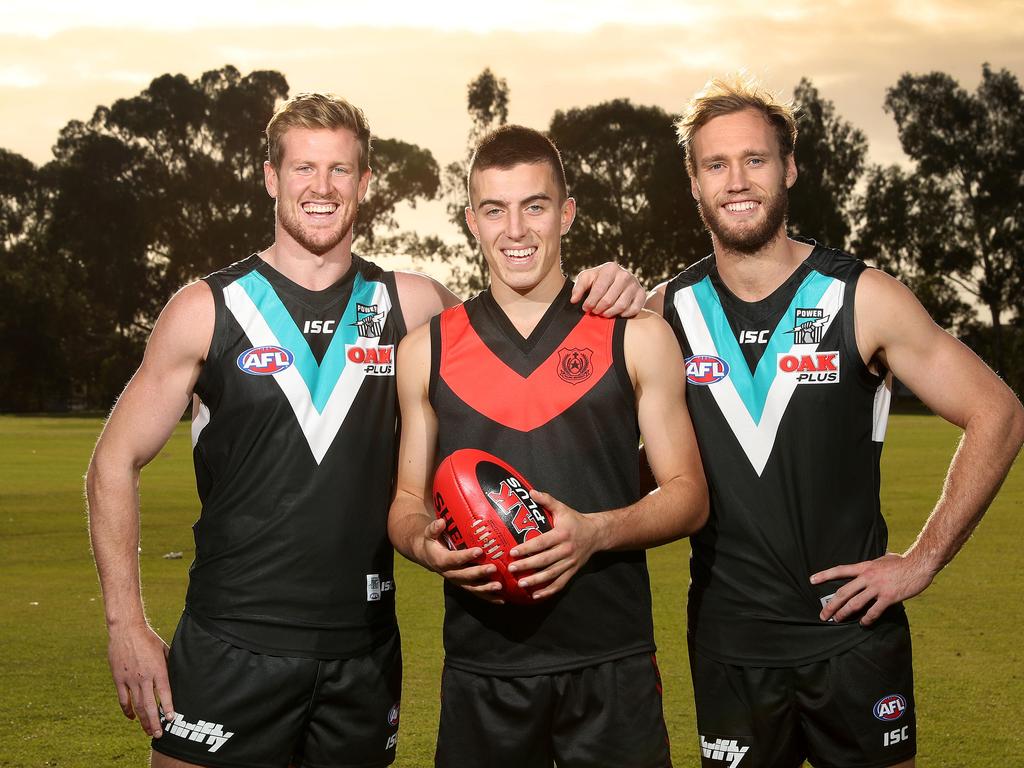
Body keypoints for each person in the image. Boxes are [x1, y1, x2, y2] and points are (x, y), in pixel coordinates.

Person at [85, 93, 647, 768]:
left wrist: (611, 285)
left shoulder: (410, 305)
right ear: (271, 178)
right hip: (232, 639)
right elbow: (112, 463)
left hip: (363, 650)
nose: (322, 188)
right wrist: (126, 625)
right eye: (303, 169)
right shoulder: (207, 309)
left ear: (366, 184)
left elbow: (526, 340)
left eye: (340, 171)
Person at [646, 74, 1024, 768]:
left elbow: (997, 411)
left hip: (854, 642)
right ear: (694, 182)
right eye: (716, 164)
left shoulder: (863, 297)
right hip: (733, 648)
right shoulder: (665, 313)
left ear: (788, 168)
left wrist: (922, 561)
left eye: (755, 159)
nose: (737, 181)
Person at [387, 125, 709, 768]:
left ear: (565, 213)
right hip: (484, 669)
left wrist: (593, 532)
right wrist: (424, 543)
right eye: (494, 209)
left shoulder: (635, 335)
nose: (516, 229)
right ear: (471, 221)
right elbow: (404, 502)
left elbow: (690, 497)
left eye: (534, 206)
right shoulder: (426, 350)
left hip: (611, 663)